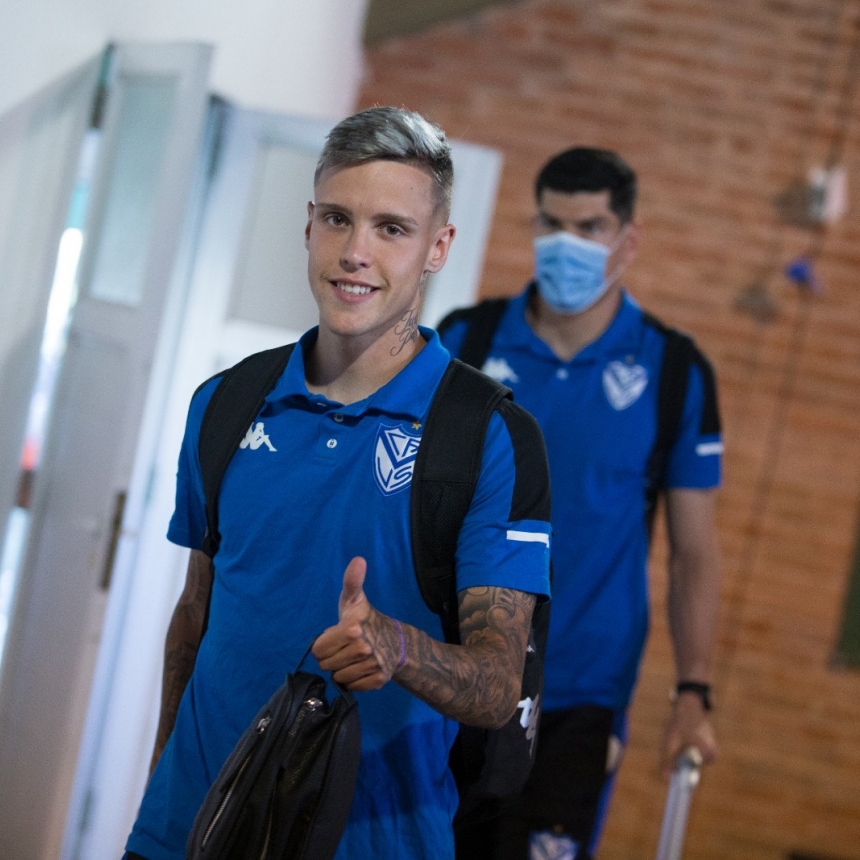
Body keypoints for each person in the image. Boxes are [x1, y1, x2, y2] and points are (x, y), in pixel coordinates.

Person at [123, 106, 552, 860]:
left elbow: (496, 684)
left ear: (438, 247)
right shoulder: (226, 401)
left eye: (391, 229)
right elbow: (195, 615)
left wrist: (399, 647)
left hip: (372, 840)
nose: (355, 252)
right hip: (187, 828)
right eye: (337, 219)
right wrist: (162, 797)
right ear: (309, 225)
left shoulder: (487, 437)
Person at [438, 147, 723, 860]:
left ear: (628, 239)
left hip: (582, 693)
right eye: (552, 224)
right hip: (452, 669)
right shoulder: (465, 341)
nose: (567, 245)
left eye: (590, 227)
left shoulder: (674, 371)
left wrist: (693, 692)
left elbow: (693, 555)